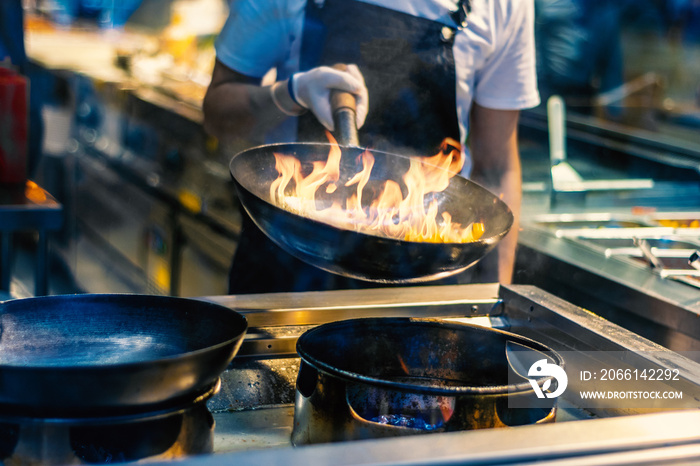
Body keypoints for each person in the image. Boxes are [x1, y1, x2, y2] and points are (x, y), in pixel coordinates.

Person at [203, 0, 540, 294]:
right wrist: (288, 93)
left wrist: (497, 306)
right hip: (289, 265)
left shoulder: (502, 4)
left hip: (421, 281)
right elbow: (217, 115)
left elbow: (497, 168)